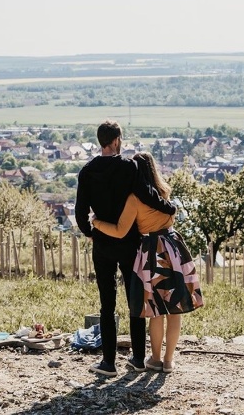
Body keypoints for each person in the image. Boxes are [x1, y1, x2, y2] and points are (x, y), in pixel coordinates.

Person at [75, 121, 177, 377]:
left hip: (102, 244)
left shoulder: (87, 171)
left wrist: (92, 232)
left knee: (106, 303)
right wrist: (169, 207)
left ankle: (108, 362)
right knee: (135, 301)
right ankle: (139, 358)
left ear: (101, 141)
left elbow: (80, 212)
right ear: (117, 140)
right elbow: (146, 194)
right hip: (130, 243)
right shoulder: (129, 166)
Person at [91, 152, 203, 373]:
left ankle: (155, 358)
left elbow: (120, 230)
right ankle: (169, 361)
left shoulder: (134, 198)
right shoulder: (164, 192)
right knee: (175, 308)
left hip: (153, 252)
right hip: (173, 247)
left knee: (156, 309)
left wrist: (97, 223)